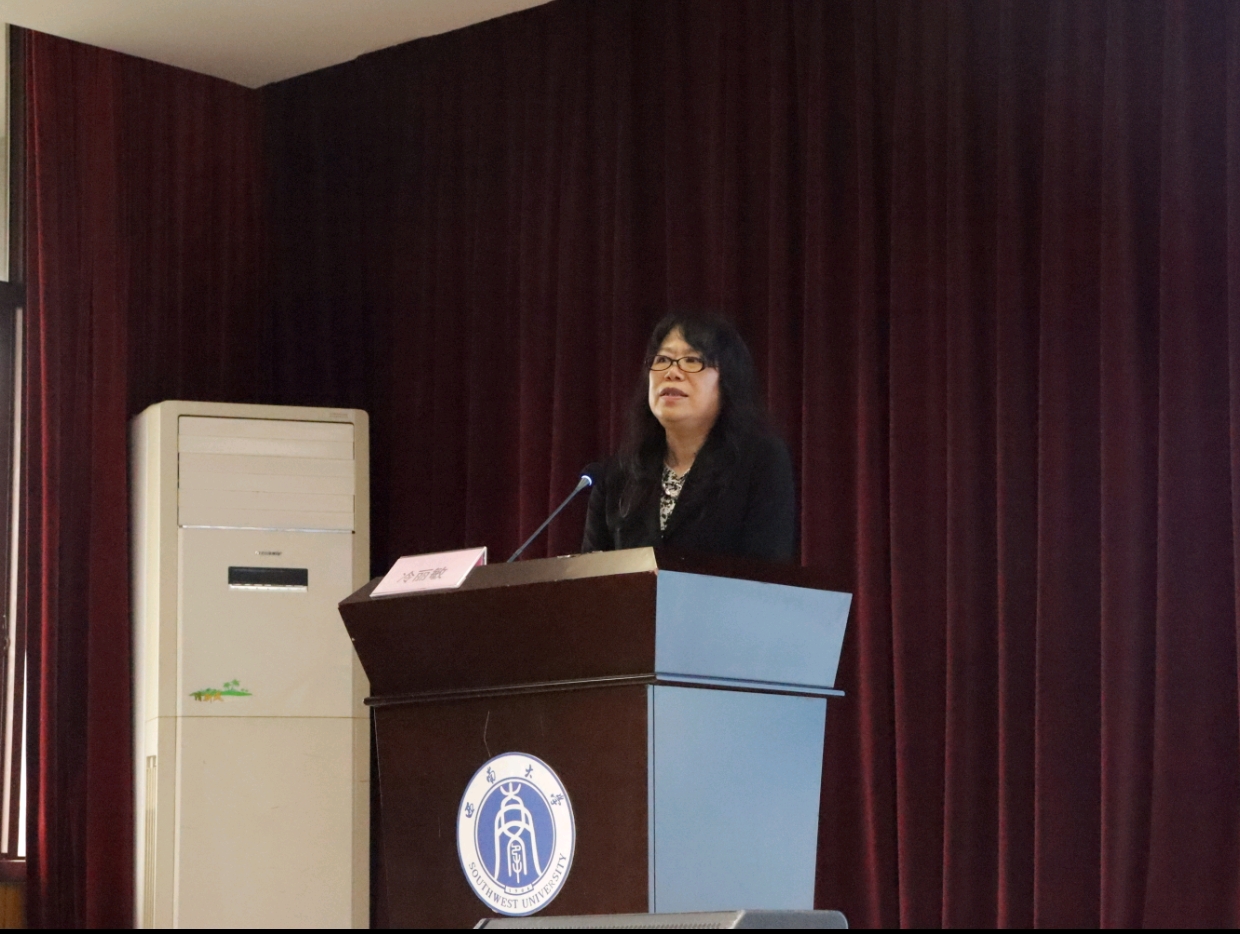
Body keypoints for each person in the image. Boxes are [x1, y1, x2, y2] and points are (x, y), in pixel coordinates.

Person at [581, 312, 796, 561]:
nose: (672, 372)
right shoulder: (616, 477)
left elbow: (767, 569)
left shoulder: (760, 461)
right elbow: (592, 577)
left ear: (727, 380)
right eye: (663, 359)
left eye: (692, 360)